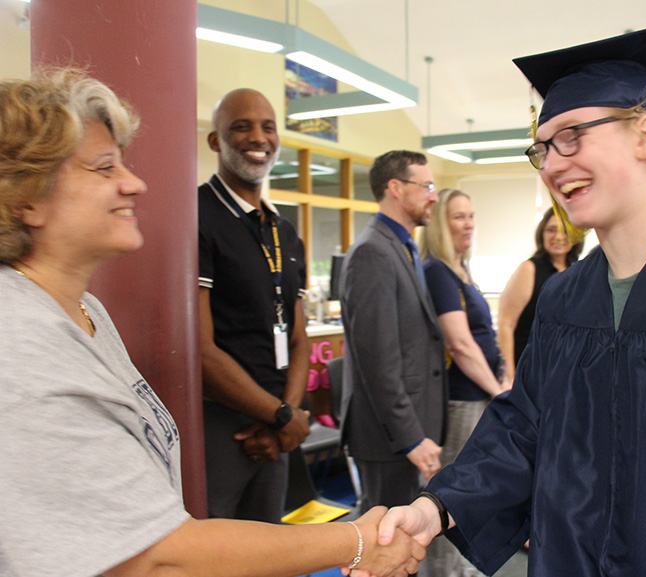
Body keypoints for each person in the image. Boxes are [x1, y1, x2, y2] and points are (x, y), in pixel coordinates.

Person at [373, 23, 646, 577]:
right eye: (543, 147)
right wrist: (438, 506)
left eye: (574, 135)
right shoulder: (566, 295)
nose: (552, 164)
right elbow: (525, 428)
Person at [0, 68, 424, 577]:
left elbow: (294, 330)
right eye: (103, 167)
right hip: (234, 430)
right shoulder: (19, 343)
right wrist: (355, 541)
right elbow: (160, 554)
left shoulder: (88, 312)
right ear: (26, 198)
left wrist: (287, 416)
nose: (134, 183)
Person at [199, 88, 310, 523]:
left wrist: (289, 419)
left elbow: (298, 339)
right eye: (240, 126)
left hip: (278, 430)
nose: (256, 137)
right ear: (215, 141)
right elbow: (201, 348)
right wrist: (282, 416)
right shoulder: (197, 216)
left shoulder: (285, 231)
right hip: (225, 428)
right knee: (217, 556)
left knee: (271, 551)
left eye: (267, 126)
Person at [339, 150, 448, 516]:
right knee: (384, 549)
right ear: (396, 188)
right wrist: (411, 437)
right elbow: (377, 362)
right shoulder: (373, 253)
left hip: (405, 428)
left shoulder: (402, 247)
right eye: (427, 186)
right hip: (387, 438)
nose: (434, 195)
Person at [417, 188, 509, 577]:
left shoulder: (461, 271)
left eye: (471, 215)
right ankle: (443, 571)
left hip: (481, 395)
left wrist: (503, 374)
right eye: (458, 216)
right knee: (450, 498)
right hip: (462, 399)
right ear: (440, 223)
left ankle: (463, 569)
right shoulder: (437, 271)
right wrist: (498, 390)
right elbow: (460, 342)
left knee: (475, 494)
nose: (468, 223)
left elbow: (484, 333)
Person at [497, 206, 582, 382]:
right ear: (541, 233)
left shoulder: (578, 272)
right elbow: (506, 324)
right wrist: (509, 377)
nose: (558, 237)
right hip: (529, 370)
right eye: (551, 230)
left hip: (564, 372)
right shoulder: (529, 269)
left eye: (565, 230)